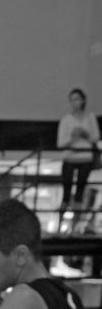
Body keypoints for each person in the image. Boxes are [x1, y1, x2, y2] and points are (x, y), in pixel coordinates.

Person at [57, 88, 100, 231]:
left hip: (85, 157)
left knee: (80, 192)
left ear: (83, 100)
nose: (75, 102)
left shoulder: (90, 117)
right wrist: (73, 138)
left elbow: (96, 137)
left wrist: (85, 134)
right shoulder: (66, 119)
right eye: (72, 99)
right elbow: (60, 143)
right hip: (70, 157)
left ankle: (74, 227)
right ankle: (59, 226)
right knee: (66, 191)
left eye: (77, 99)